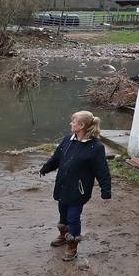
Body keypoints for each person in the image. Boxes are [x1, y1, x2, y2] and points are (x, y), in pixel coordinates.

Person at [38, 110, 112, 261]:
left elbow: (102, 170)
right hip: (63, 186)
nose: (70, 123)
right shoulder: (67, 140)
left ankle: (72, 246)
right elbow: (56, 158)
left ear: (82, 125)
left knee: (73, 217)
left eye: (73, 121)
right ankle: (63, 235)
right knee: (63, 214)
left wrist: (106, 190)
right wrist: (46, 168)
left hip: (79, 190)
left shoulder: (95, 147)